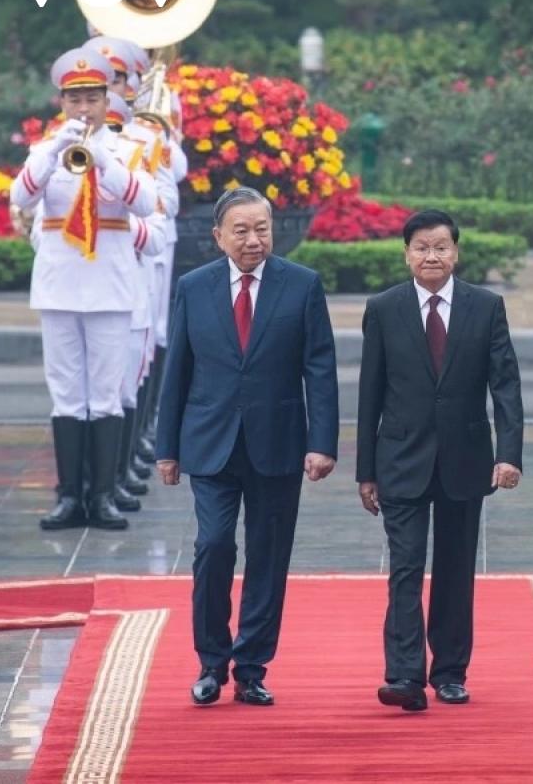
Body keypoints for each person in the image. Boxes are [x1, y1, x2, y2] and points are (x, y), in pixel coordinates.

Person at [155, 186, 339, 707]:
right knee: (212, 546)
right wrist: (167, 448)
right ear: (218, 236)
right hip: (210, 444)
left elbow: (319, 369)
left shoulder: (301, 286)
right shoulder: (193, 287)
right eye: (241, 230)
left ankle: (252, 667)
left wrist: (322, 443)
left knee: (268, 556)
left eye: (262, 228)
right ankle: (211, 662)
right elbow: (178, 373)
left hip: (278, 442)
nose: (253, 239)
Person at [356, 209, 524, 712]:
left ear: (456, 252)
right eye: (422, 248)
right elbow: (370, 395)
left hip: (465, 460)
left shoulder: (485, 307)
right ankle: (405, 677)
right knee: (405, 568)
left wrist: (509, 454)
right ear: (406, 254)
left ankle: (450, 672)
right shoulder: (384, 308)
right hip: (401, 460)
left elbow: (506, 385)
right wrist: (366, 471)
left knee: (455, 570)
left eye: (441, 247)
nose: (432, 256)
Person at [12, 46, 159, 531]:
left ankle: (103, 496)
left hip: (110, 289)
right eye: (75, 100)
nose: (84, 109)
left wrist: (103, 160)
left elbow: (146, 203)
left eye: (93, 98)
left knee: (107, 394)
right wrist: (57, 149)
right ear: (62, 103)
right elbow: (21, 196)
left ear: (106, 99)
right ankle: (69, 496)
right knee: (67, 394)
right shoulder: (46, 150)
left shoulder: (127, 150)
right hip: (58, 288)